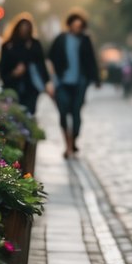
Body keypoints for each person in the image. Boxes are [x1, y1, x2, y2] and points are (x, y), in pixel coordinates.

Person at [48, 11, 101, 159]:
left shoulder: (85, 40)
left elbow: (92, 60)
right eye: (75, 25)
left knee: (76, 112)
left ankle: (74, 139)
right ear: (70, 24)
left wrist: (96, 79)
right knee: (64, 111)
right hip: (63, 82)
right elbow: (50, 58)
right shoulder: (61, 39)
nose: (78, 28)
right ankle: (68, 145)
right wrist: (53, 80)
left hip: (80, 83)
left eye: (80, 26)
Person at [0, 14, 51, 115]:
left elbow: (41, 64)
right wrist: (14, 73)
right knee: (15, 113)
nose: (24, 31)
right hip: (13, 84)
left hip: (31, 85)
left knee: (30, 112)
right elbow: (3, 67)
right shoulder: (8, 45)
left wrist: (47, 82)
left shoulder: (34, 44)